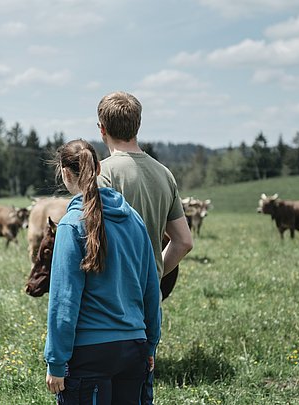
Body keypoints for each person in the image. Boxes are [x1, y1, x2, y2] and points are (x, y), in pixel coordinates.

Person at [44, 139, 161, 404]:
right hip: (134, 348)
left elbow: (64, 302)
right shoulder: (134, 219)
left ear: (64, 172)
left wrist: (56, 361)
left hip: (89, 354)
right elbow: (151, 290)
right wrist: (150, 343)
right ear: (98, 168)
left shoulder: (71, 225)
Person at [96, 91, 194, 403]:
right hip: (143, 305)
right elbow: (184, 241)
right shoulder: (165, 174)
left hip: (105, 304)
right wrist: (154, 272)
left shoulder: (101, 173)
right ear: (138, 126)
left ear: (101, 129)